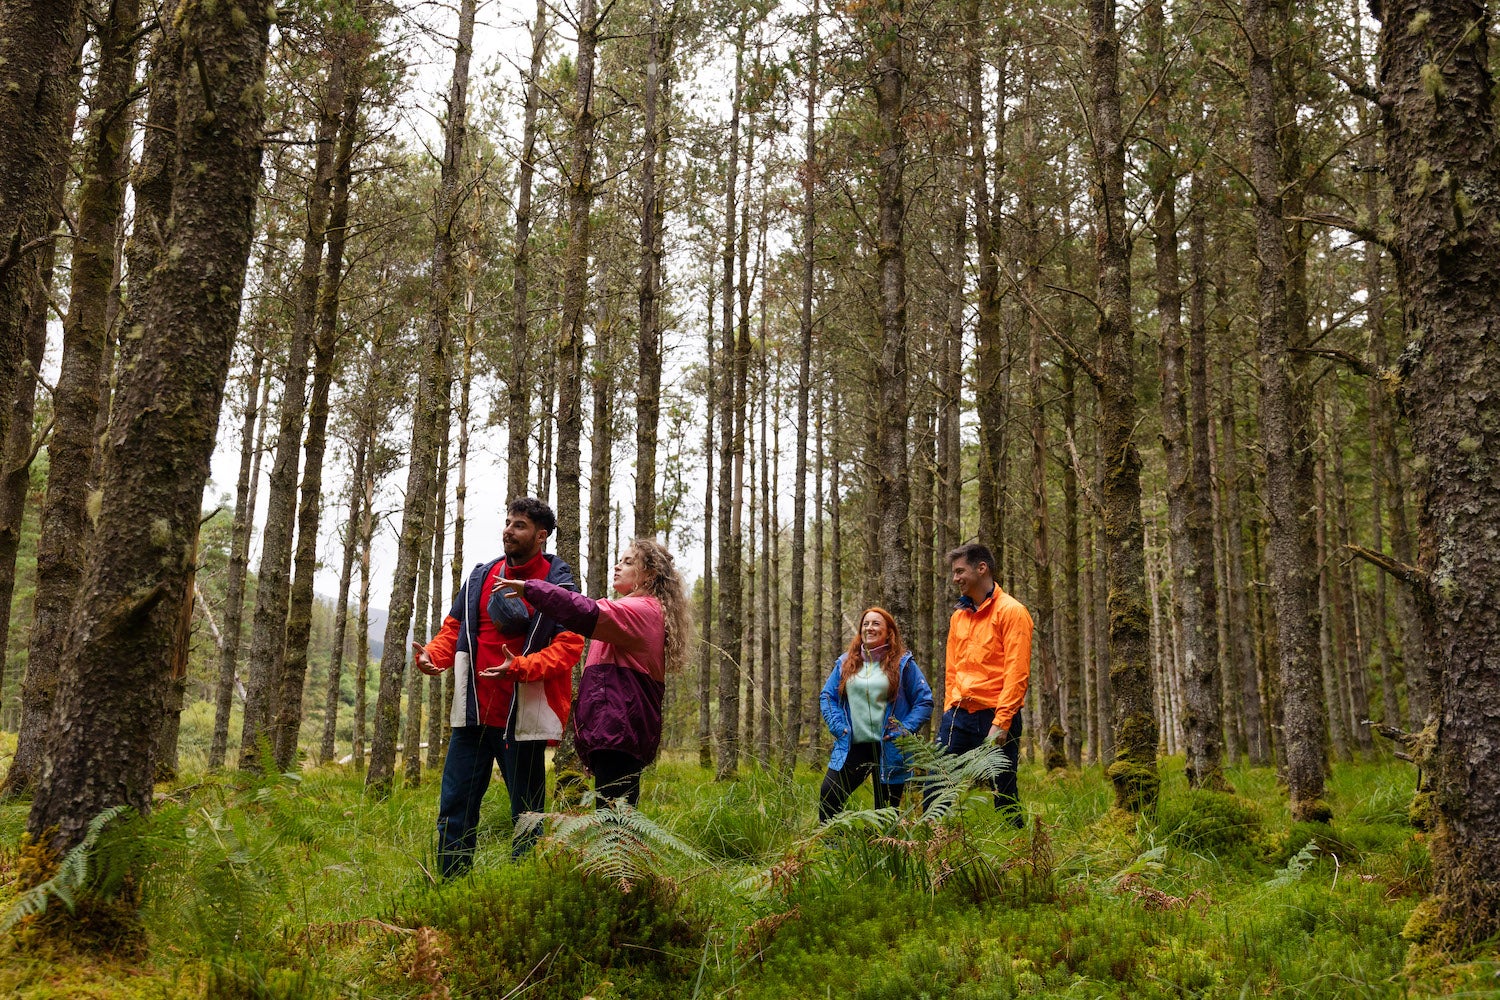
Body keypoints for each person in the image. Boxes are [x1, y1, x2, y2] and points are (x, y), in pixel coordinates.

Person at [413, 497, 584, 876]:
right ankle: (451, 887)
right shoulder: (480, 576)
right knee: (455, 807)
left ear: (540, 536)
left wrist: (521, 667)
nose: (508, 530)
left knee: (527, 815)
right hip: (472, 716)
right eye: (507, 522)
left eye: (519, 525)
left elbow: (570, 646)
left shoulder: (558, 585)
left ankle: (524, 887)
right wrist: (433, 658)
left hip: (521, 721)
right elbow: (454, 630)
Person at [495, 538, 691, 806]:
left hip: (620, 733)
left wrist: (532, 589)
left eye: (628, 562)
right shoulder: (638, 611)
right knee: (613, 823)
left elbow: (584, 610)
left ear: (650, 574)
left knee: (613, 826)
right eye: (620, 560)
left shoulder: (641, 610)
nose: (617, 566)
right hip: (617, 734)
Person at [937, 542, 1034, 827]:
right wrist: (947, 709)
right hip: (957, 716)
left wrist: (1002, 722)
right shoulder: (959, 616)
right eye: (953, 573)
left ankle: (1017, 849)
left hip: (995, 716)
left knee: (1003, 789)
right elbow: (952, 670)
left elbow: (1017, 673)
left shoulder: (1013, 612)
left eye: (959, 571)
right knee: (937, 784)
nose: (955, 579)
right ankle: (931, 848)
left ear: (982, 569)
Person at [817, 606, 934, 822]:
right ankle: (832, 848)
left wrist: (903, 729)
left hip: (889, 747)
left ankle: (883, 852)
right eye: (866, 623)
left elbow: (924, 701)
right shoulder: (846, 663)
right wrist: (839, 727)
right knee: (829, 799)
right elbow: (827, 696)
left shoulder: (903, 664)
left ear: (889, 631)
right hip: (853, 746)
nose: (869, 627)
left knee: (885, 816)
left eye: (876, 623)